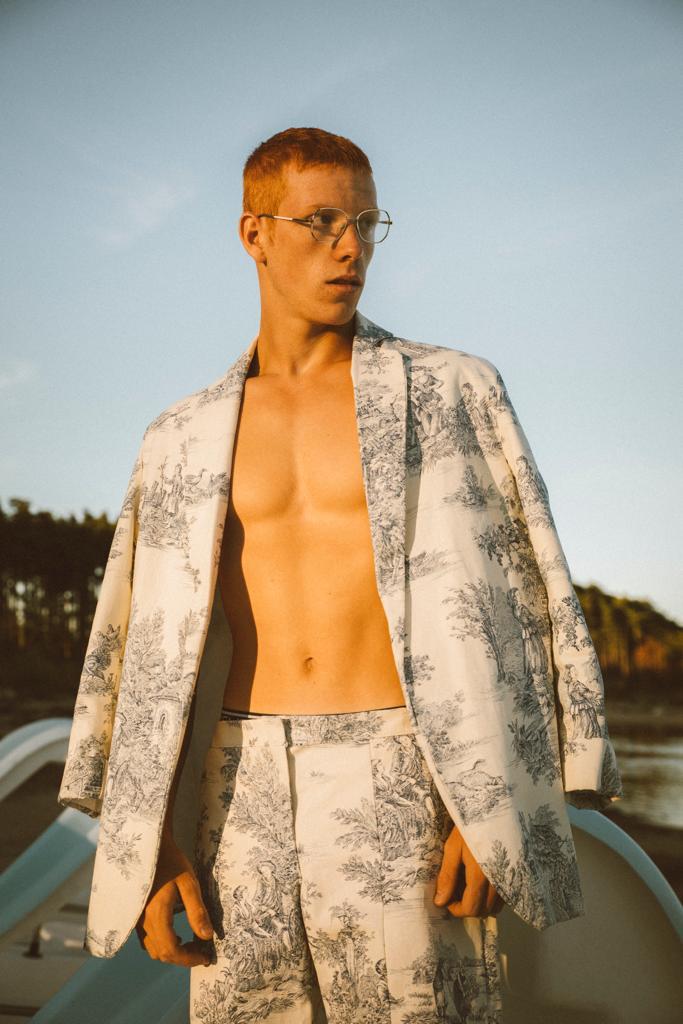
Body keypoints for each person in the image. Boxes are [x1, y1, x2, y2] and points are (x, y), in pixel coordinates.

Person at [58, 126, 622, 1022]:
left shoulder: (451, 392)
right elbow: (136, 650)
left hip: (407, 775)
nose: (350, 247)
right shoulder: (179, 437)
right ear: (255, 234)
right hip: (235, 788)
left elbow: (529, 595)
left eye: (366, 223)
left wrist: (495, 806)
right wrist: (151, 842)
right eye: (320, 221)